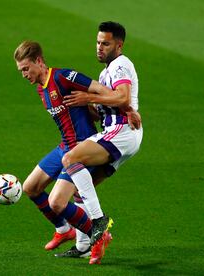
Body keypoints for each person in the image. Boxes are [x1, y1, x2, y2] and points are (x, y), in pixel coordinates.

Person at [14, 40, 127, 264]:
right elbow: (82, 112)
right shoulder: (41, 89)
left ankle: (100, 236)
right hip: (65, 146)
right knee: (31, 188)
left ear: (39, 61)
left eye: (26, 68)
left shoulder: (63, 76)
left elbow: (100, 89)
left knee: (57, 203)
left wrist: (126, 110)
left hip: (82, 148)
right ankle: (64, 230)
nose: (24, 74)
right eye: (21, 71)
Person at [55, 21, 143, 260]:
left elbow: (123, 96)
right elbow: (102, 110)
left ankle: (98, 221)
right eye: (97, 42)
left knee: (70, 158)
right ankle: (84, 247)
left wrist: (88, 96)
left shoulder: (120, 65)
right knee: (81, 187)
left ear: (119, 45)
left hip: (121, 131)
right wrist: (78, 104)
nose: (99, 47)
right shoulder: (105, 72)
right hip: (120, 131)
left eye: (105, 43)